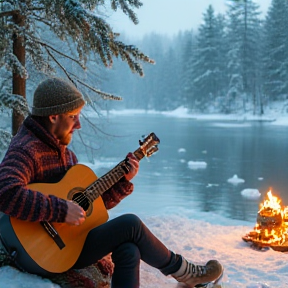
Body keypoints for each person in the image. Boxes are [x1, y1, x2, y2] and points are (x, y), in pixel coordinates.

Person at [0, 77, 223, 288]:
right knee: (131, 224)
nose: (78, 124)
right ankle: (185, 271)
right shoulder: (26, 149)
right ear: (53, 117)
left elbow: (91, 207)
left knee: (129, 249)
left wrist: (122, 182)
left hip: (67, 246)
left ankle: (186, 273)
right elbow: (5, 192)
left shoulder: (65, 154)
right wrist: (60, 209)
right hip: (37, 253)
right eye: (73, 116)